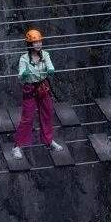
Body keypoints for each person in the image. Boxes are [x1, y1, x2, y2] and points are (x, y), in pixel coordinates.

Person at [11, 29, 66, 157]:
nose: (38, 44)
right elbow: (20, 75)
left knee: (47, 113)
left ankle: (48, 140)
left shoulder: (45, 55)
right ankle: (17, 146)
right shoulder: (24, 58)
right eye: (35, 42)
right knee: (27, 117)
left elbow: (50, 65)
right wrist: (24, 74)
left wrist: (50, 70)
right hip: (30, 88)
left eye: (39, 41)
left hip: (42, 86)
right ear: (30, 44)